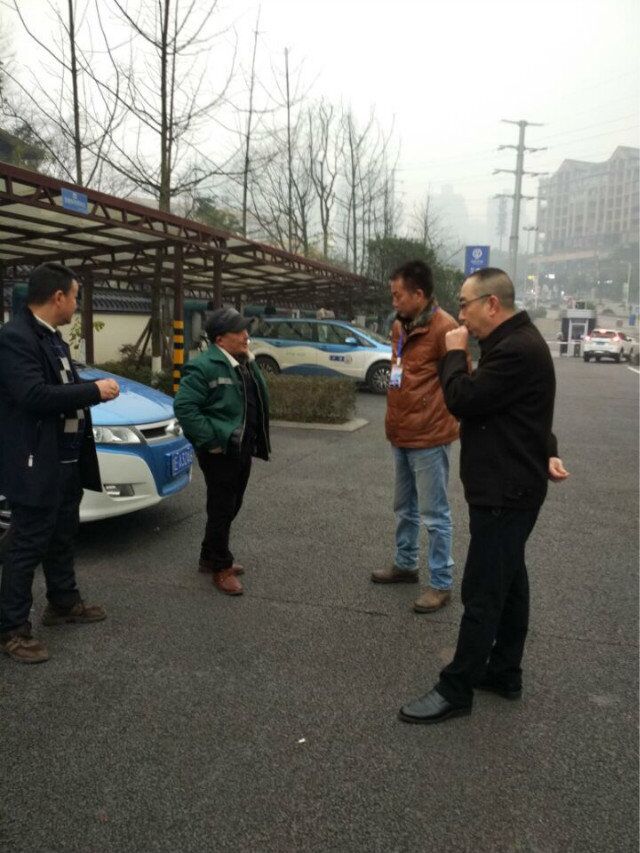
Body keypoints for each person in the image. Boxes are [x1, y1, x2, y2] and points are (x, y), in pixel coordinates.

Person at [399, 267, 569, 725]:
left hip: (505, 491)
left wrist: (454, 353)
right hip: (511, 485)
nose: (461, 316)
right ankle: (504, 672)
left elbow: (463, 399)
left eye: (464, 304)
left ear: (492, 304)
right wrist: (548, 449)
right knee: (510, 583)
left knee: (482, 590)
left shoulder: (516, 349)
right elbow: (527, 409)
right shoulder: (516, 343)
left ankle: (456, 688)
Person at [0, 262, 119, 664]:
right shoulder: (15, 338)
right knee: (26, 544)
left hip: (64, 459)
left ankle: (63, 602)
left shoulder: (52, 339)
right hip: (35, 461)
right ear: (58, 297)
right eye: (75, 297)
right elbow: (33, 395)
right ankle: (12, 630)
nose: (76, 304)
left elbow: (61, 387)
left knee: (62, 535)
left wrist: (88, 390)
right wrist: (94, 391)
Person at [371, 260, 461, 613]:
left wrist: (435, 413)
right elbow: (398, 370)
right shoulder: (399, 326)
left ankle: (441, 583)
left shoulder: (446, 328)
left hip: (430, 436)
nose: (394, 301)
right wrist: (396, 404)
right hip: (401, 431)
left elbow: (460, 381)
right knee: (404, 507)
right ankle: (405, 564)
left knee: (435, 514)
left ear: (419, 295)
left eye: (398, 295)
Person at [174, 308, 270, 596]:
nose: (246, 335)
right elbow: (185, 407)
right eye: (239, 331)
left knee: (232, 503)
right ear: (220, 339)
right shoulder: (204, 366)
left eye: (246, 330)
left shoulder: (243, 362)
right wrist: (211, 441)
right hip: (220, 450)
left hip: (241, 447)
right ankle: (220, 566)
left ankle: (208, 555)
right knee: (222, 507)